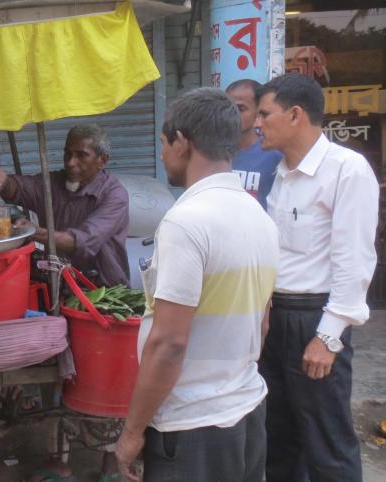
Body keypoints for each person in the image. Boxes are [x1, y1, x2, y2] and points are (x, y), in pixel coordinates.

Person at [115, 88, 279, 482]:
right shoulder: (259, 216)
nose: (161, 154)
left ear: (182, 143)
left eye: (163, 143)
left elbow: (169, 343)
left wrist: (132, 431)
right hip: (246, 411)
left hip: (193, 428)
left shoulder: (185, 223)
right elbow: (263, 321)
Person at [255, 73, 378, 482]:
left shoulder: (346, 169)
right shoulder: (278, 173)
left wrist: (328, 337)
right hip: (276, 318)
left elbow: (354, 261)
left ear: (295, 115)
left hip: (316, 318)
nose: (257, 124)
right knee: (278, 437)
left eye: (264, 114)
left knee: (328, 443)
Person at [0, 125, 129, 287]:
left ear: (102, 160)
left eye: (81, 155)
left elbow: (83, 241)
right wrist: (3, 181)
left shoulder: (114, 195)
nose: (71, 162)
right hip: (58, 287)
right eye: (68, 153)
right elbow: (19, 188)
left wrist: (33, 232)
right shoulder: (51, 184)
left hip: (103, 292)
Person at [226, 79, 283, 208]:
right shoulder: (214, 153)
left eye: (240, 108)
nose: (232, 114)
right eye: (228, 107)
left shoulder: (274, 154)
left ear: (258, 112)